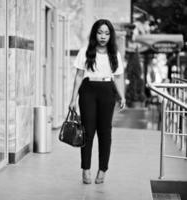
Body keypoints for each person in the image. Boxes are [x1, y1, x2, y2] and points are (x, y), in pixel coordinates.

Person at [69, 19, 125, 184]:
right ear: (95, 33)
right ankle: (85, 169)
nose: (103, 36)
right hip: (88, 91)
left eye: (107, 33)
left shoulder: (115, 54)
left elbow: (118, 78)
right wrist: (73, 99)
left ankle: (102, 169)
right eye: (100, 32)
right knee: (87, 131)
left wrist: (122, 96)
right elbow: (79, 76)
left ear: (110, 36)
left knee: (105, 132)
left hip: (107, 91)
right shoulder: (85, 51)